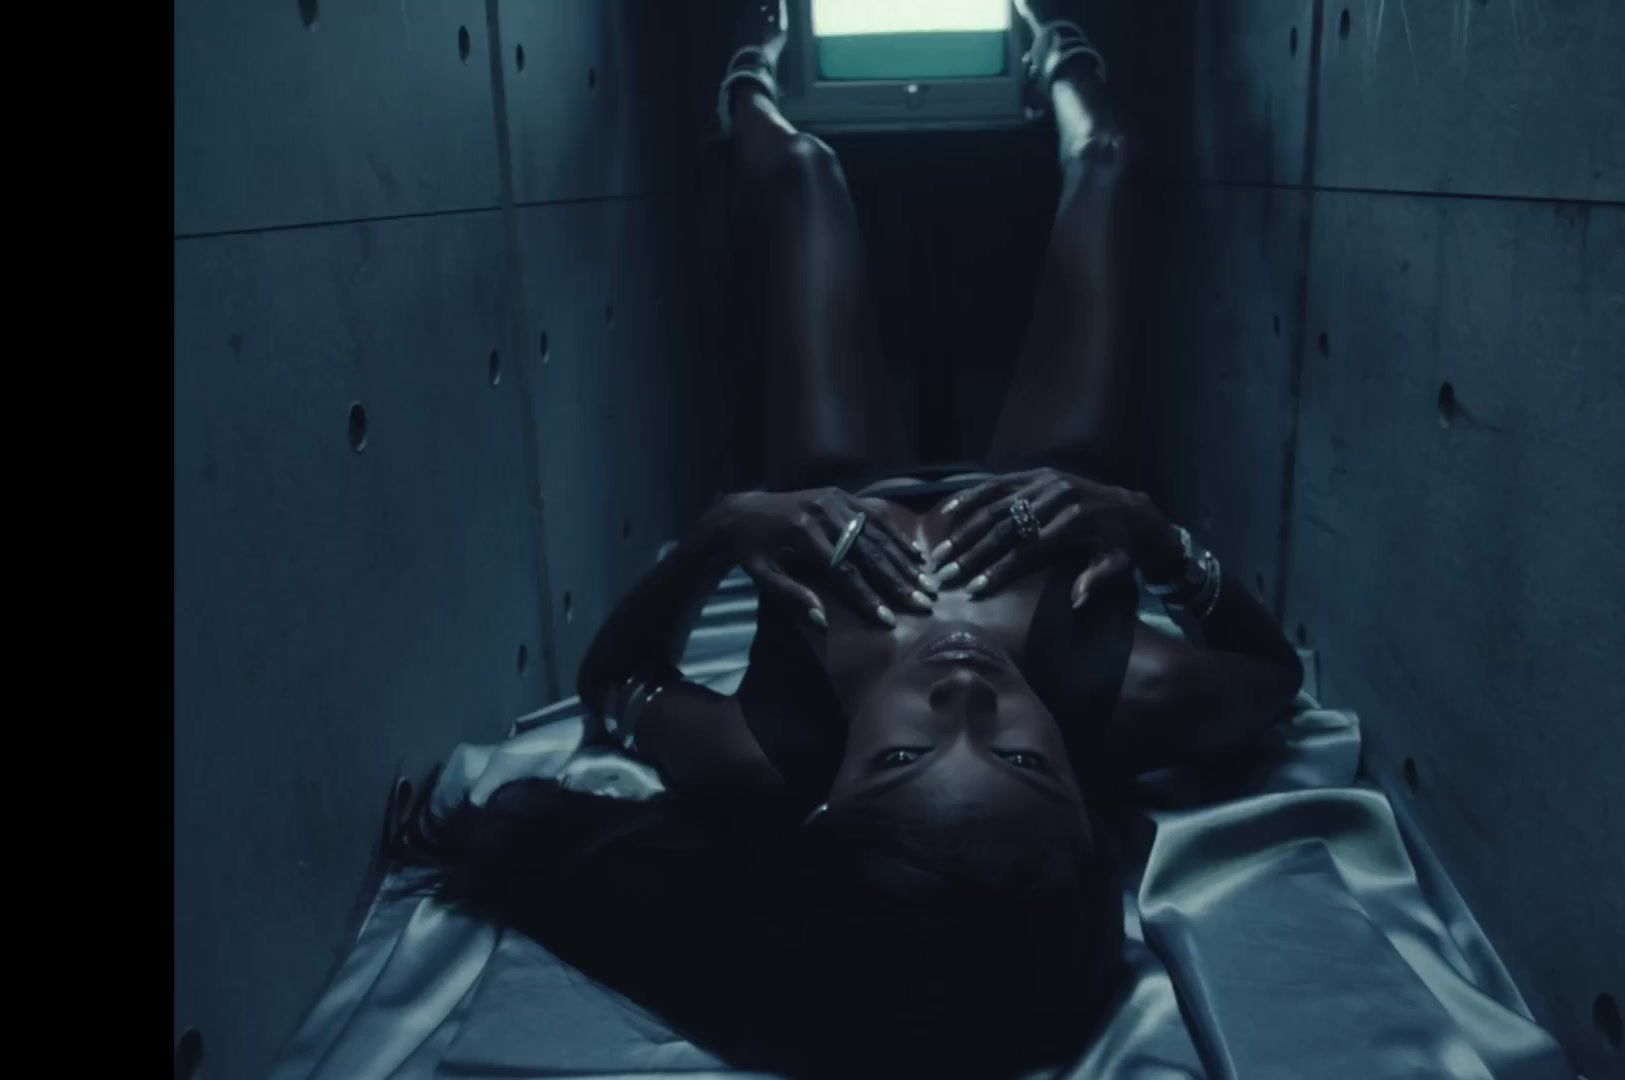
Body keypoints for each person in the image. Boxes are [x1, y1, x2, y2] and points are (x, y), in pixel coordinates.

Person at [396, 2, 1304, 1077]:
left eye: (904, 755)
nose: (965, 696)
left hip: (836, 491)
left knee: (807, 174)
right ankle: (1056, 45)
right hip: (1044, 494)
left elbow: (615, 684)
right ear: (1085, 803)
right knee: (1109, 158)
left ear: (828, 803)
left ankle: (747, 73)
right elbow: (1270, 680)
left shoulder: (769, 749)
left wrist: (721, 533)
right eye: (1021, 757)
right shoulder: (1111, 689)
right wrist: (1154, 537)